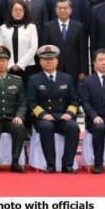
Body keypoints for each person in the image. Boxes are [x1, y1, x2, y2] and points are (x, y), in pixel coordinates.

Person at [26, 45, 79, 173]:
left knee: (73, 127)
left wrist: (69, 113)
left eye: (51, 59)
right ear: (40, 62)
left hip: (62, 116)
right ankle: (50, 164)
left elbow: (74, 100)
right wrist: (43, 114)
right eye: (45, 59)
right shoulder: (34, 79)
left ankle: (68, 164)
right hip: (43, 117)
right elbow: (31, 102)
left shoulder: (66, 78)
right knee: (46, 127)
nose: (49, 61)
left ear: (57, 61)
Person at [41, 0, 88, 85]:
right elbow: (44, 49)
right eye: (60, 8)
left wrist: (83, 70)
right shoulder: (48, 27)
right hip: (53, 67)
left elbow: (82, 50)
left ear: (70, 10)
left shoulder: (79, 27)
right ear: (56, 10)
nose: (62, 10)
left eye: (65, 8)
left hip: (74, 68)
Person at [0, 0, 38, 82]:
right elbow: (1, 48)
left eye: (20, 10)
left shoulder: (31, 27)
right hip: (8, 67)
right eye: (15, 10)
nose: (18, 12)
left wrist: (20, 65)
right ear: (11, 12)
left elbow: (33, 48)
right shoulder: (3, 28)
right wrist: (11, 64)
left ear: (24, 12)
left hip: (27, 67)